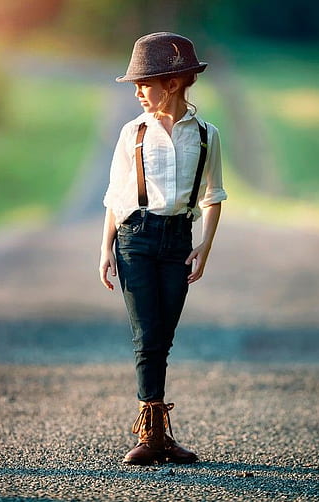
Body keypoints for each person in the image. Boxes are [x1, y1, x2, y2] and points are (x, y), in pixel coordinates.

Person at [99, 32, 227, 465]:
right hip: (135, 239)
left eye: (144, 83)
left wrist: (205, 245)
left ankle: (158, 435)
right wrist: (105, 250)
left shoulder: (206, 135)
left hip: (178, 242)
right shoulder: (131, 133)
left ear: (172, 83)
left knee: (163, 337)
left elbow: (213, 195)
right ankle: (151, 431)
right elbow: (116, 195)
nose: (137, 91)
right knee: (147, 337)